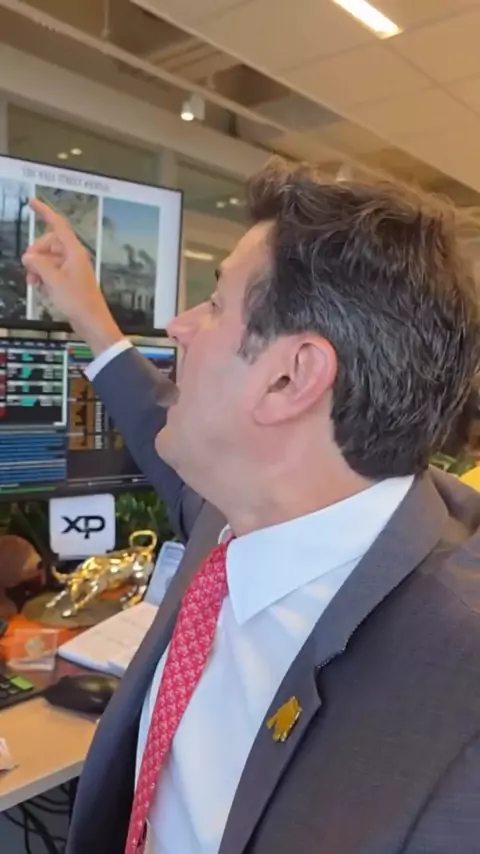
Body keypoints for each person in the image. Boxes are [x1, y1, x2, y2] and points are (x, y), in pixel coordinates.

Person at [23, 159, 480, 854]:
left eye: (213, 304)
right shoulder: (243, 511)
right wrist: (87, 310)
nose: (178, 325)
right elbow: (153, 417)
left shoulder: (456, 697)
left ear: (290, 378)